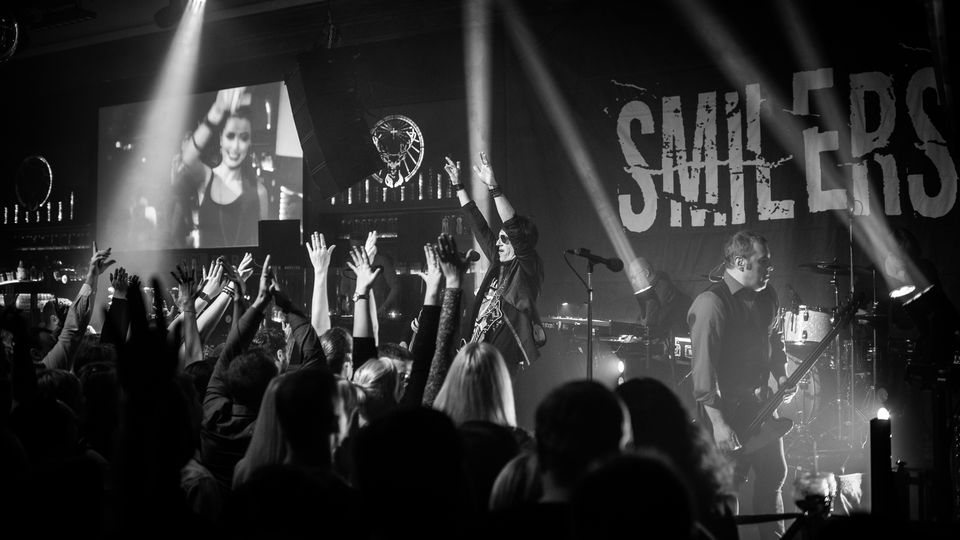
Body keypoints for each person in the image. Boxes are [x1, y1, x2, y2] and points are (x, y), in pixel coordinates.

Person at [686, 230, 796, 540]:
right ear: (740, 261)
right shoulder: (711, 303)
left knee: (774, 473)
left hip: (759, 406)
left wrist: (782, 374)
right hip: (724, 411)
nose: (770, 268)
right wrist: (719, 423)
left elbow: (774, 336)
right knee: (727, 486)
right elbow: (704, 369)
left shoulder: (767, 294)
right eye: (764, 262)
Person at [445, 153, 544, 370]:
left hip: (501, 360)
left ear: (520, 244)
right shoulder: (498, 262)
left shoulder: (528, 268)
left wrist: (493, 187)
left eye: (504, 239)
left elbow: (513, 227)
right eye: (499, 238)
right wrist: (458, 186)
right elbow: (479, 227)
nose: (498, 243)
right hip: (475, 351)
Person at [179, 86, 268, 248]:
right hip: (208, 266)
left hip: (243, 266)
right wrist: (215, 114)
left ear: (249, 142)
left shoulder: (259, 192)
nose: (236, 146)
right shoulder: (206, 177)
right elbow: (187, 158)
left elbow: (264, 244)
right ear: (221, 139)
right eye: (230, 136)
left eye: (244, 138)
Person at [626, 257, 691, 340]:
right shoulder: (655, 288)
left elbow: (649, 323)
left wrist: (633, 335)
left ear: (646, 273)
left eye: (634, 277)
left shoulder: (662, 289)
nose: (633, 282)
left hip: (670, 341)